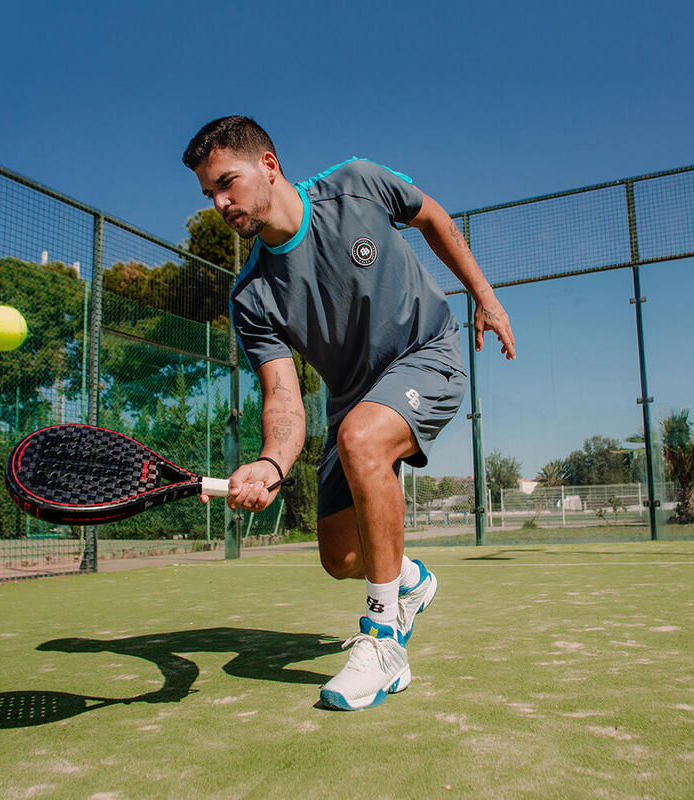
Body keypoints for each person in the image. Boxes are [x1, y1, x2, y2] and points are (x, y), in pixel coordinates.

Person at [182, 116, 515, 711]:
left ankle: (384, 643)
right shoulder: (251, 296)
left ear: (269, 164)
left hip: (427, 353)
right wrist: (270, 464)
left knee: (364, 437)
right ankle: (409, 581)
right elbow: (282, 397)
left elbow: (435, 218)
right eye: (209, 193)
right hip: (351, 401)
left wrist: (485, 298)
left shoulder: (357, 184)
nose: (220, 203)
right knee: (340, 557)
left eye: (226, 183)